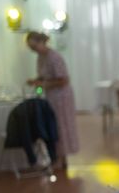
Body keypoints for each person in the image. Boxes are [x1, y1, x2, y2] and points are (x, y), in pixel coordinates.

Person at [26, 31, 79, 168]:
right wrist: (36, 81)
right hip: (50, 95)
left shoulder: (54, 57)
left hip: (61, 96)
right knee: (52, 126)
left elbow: (64, 80)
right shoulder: (40, 58)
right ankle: (55, 156)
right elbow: (44, 76)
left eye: (35, 47)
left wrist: (43, 84)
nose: (34, 50)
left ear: (42, 42)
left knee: (61, 126)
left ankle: (62, 158)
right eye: (31, 49)